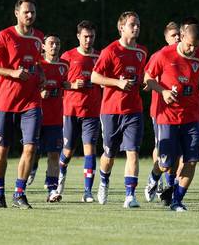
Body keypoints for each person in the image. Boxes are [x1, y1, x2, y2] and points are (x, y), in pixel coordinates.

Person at [144, 23, 199, 211]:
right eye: (190, 45)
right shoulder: (163, 55)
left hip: (192, 117)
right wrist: (163, 91)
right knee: (166, 163)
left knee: (191, 160)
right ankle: (153, 177)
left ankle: (177, 201)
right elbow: (148, 79)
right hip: (167, 117)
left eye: (196, 46)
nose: (193, 50)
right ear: (182, 36)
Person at [0, 0, 44, 209]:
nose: (30, 15)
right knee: (2, 148)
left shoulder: (39, 38)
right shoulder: (4, 36)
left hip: (31, 102)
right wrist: (12, 73)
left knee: (30, 148)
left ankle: (19, 193)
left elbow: (37, 63)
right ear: (17, 13)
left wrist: (41, 74)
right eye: (26, 12)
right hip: (6, 102)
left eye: (33, 12)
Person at [91, 11, 148, 208]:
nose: (136, 27)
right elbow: (94, 77)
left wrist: (144, 83)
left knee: (132, 152)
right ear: (121, 27)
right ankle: (104, 181)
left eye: (138, 24)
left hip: (134, 110)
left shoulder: (142, 52)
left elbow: (141, 77)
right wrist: (118, 83)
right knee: (109, 155)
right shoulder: (110, 51)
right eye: (132, 24)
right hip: (111, 110)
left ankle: (130, 195)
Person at [57, 20, 101, 203]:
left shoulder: (100, 57)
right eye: (85, 37)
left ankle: (87, 192)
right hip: (71, 111)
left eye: (91, 37)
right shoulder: (67, 57)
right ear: (78, 36)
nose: (88, 40)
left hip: (92, 111)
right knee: (68, 150)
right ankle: (59, 179)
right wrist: (73, 85)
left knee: (89, 149)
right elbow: (60, 83)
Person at [143, 22, 180, 202]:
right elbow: (147, 80)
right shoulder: (159, 56)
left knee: (177, 154)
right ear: (166, 38)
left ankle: (168, 188)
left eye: (179, 34)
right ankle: (154, 179)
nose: (177, 38)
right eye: (173, 35)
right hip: (160, 112)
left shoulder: (187, 56)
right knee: (162, 151)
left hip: (181, 114)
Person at [38, 34, 68, 202]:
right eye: (51, 43)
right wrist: (39, 93)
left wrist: (69, 85)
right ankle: (23, 184)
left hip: (56, 119)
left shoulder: (65, 65)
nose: (54, 46)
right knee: (32, 153)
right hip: (36, 118)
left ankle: (52, 189)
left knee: (54, 155)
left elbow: (66, 83)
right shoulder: (38, 65)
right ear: (43, 46)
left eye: (57, 43)